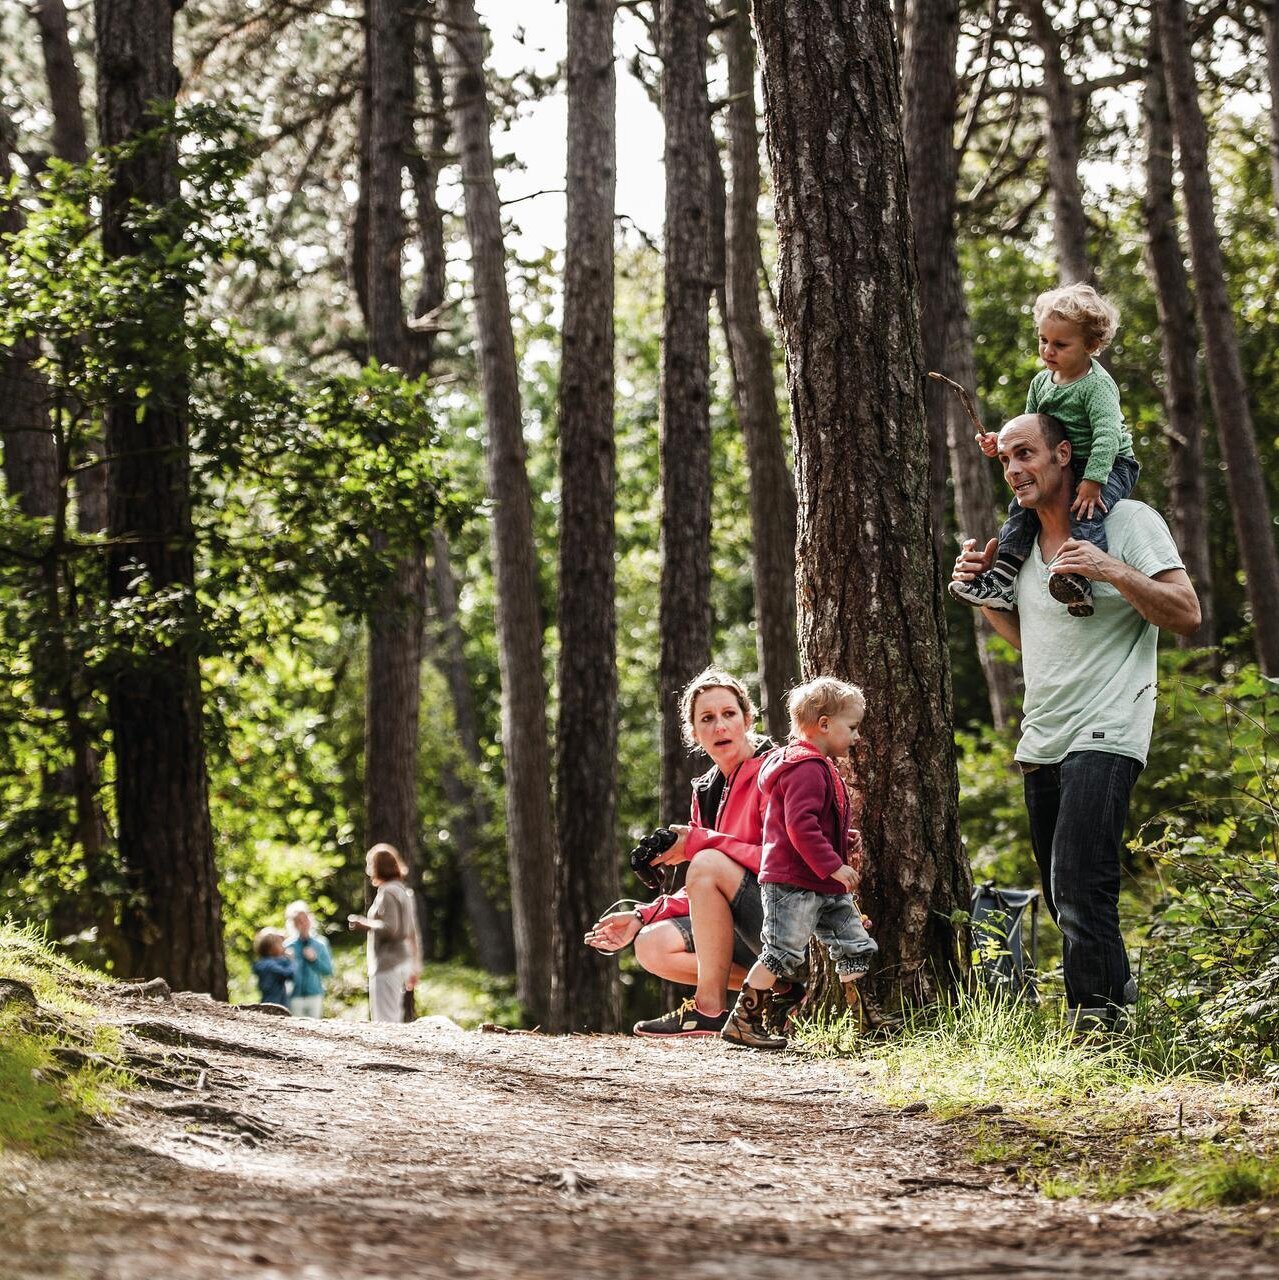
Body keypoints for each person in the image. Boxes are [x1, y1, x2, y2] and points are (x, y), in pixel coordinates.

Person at [951, 412, 1201, 1032]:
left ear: (1065, 455)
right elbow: (1030, 638)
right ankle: (1116, 1023)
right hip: (1043, 739)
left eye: (1026, 454)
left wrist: (1111, 569)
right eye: (1006, 458)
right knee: (1069, 898)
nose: (1014, 469)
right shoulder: (1021, 545)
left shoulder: (1127, 522)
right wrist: (986, 596)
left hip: (1109, 729)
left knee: (1080, 885)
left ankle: (1094, 1031)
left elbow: (1186, 612)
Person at [584, 668, 773, 1038]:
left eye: (729, 714)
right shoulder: (705, 790)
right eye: (707, 719)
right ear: (694, 733)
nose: (720, 726)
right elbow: (707, 889)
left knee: (704, 861)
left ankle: (710, 1007)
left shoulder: (778, 769)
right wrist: (643, 914)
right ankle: (777, 990)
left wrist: (701, 842)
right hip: (744, 929)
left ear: (747, 719)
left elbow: (782, 862)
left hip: (787, 918)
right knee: (651, 945)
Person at [951, 283, 1139, 618]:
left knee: (1086, 511)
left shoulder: (1097, 386)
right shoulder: (1041, 383)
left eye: (1060, 344)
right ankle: (1004, 580)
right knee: (1019, 512)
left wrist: (1094, 480)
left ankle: (1078, 577)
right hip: (1066, 462)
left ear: (1091, 346)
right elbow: (1031, 428)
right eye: (1043, 340)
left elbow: (1107, 435)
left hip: (1111, 464)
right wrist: (1001, 443)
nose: (1048, 351)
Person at [722, 677, 877, 1050]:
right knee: (781, 953)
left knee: (854, 944)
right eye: (852, 727)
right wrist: (833, 865)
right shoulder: (805, 768)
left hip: (821, 882)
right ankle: (743, 1020)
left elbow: (814, 822)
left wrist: (840, 842)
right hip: (793, 882)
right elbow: (799, 825)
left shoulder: (819, 765)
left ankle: (864, 1019)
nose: (856, 737)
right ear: (824, 724)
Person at [348, 844, 422, 1024]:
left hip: (388, 962)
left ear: (377, 867)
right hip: (402, 959)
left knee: (385, 1020)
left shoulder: (387, 892)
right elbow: (413, 932)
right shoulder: (403, 890)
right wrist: (415, 964)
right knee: (394, 1015)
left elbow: (391, 928)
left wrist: (363, 924)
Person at [284, 900, 333, 1019]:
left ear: (310, 920)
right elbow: (283, 974)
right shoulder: (287, 946)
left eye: (305, 919)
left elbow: (328, 970)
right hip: (294, 996)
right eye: (298, 921)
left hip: (315, 995)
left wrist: (314, 960)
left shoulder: (321, 944)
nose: (303, 924)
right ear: (293, 924)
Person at [251, 928, 294, 1010]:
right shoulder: (270, 966)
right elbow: (289, 974)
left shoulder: (264, 963)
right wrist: (291, 960)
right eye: (280, 944)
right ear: (271, 949)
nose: (283, 947)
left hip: (271, 1000)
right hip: (275, 1003)